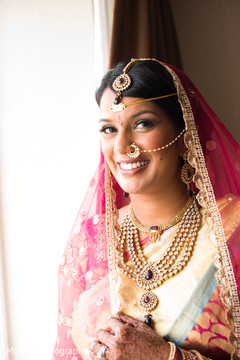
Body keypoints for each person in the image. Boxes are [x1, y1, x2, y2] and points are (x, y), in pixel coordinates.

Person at [52, 59, 240, 360]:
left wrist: (163, 356)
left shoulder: (232, 233)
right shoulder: (90, 242)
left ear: (184, 135)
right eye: (109, 129)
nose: (122, 145)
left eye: (143, 124)